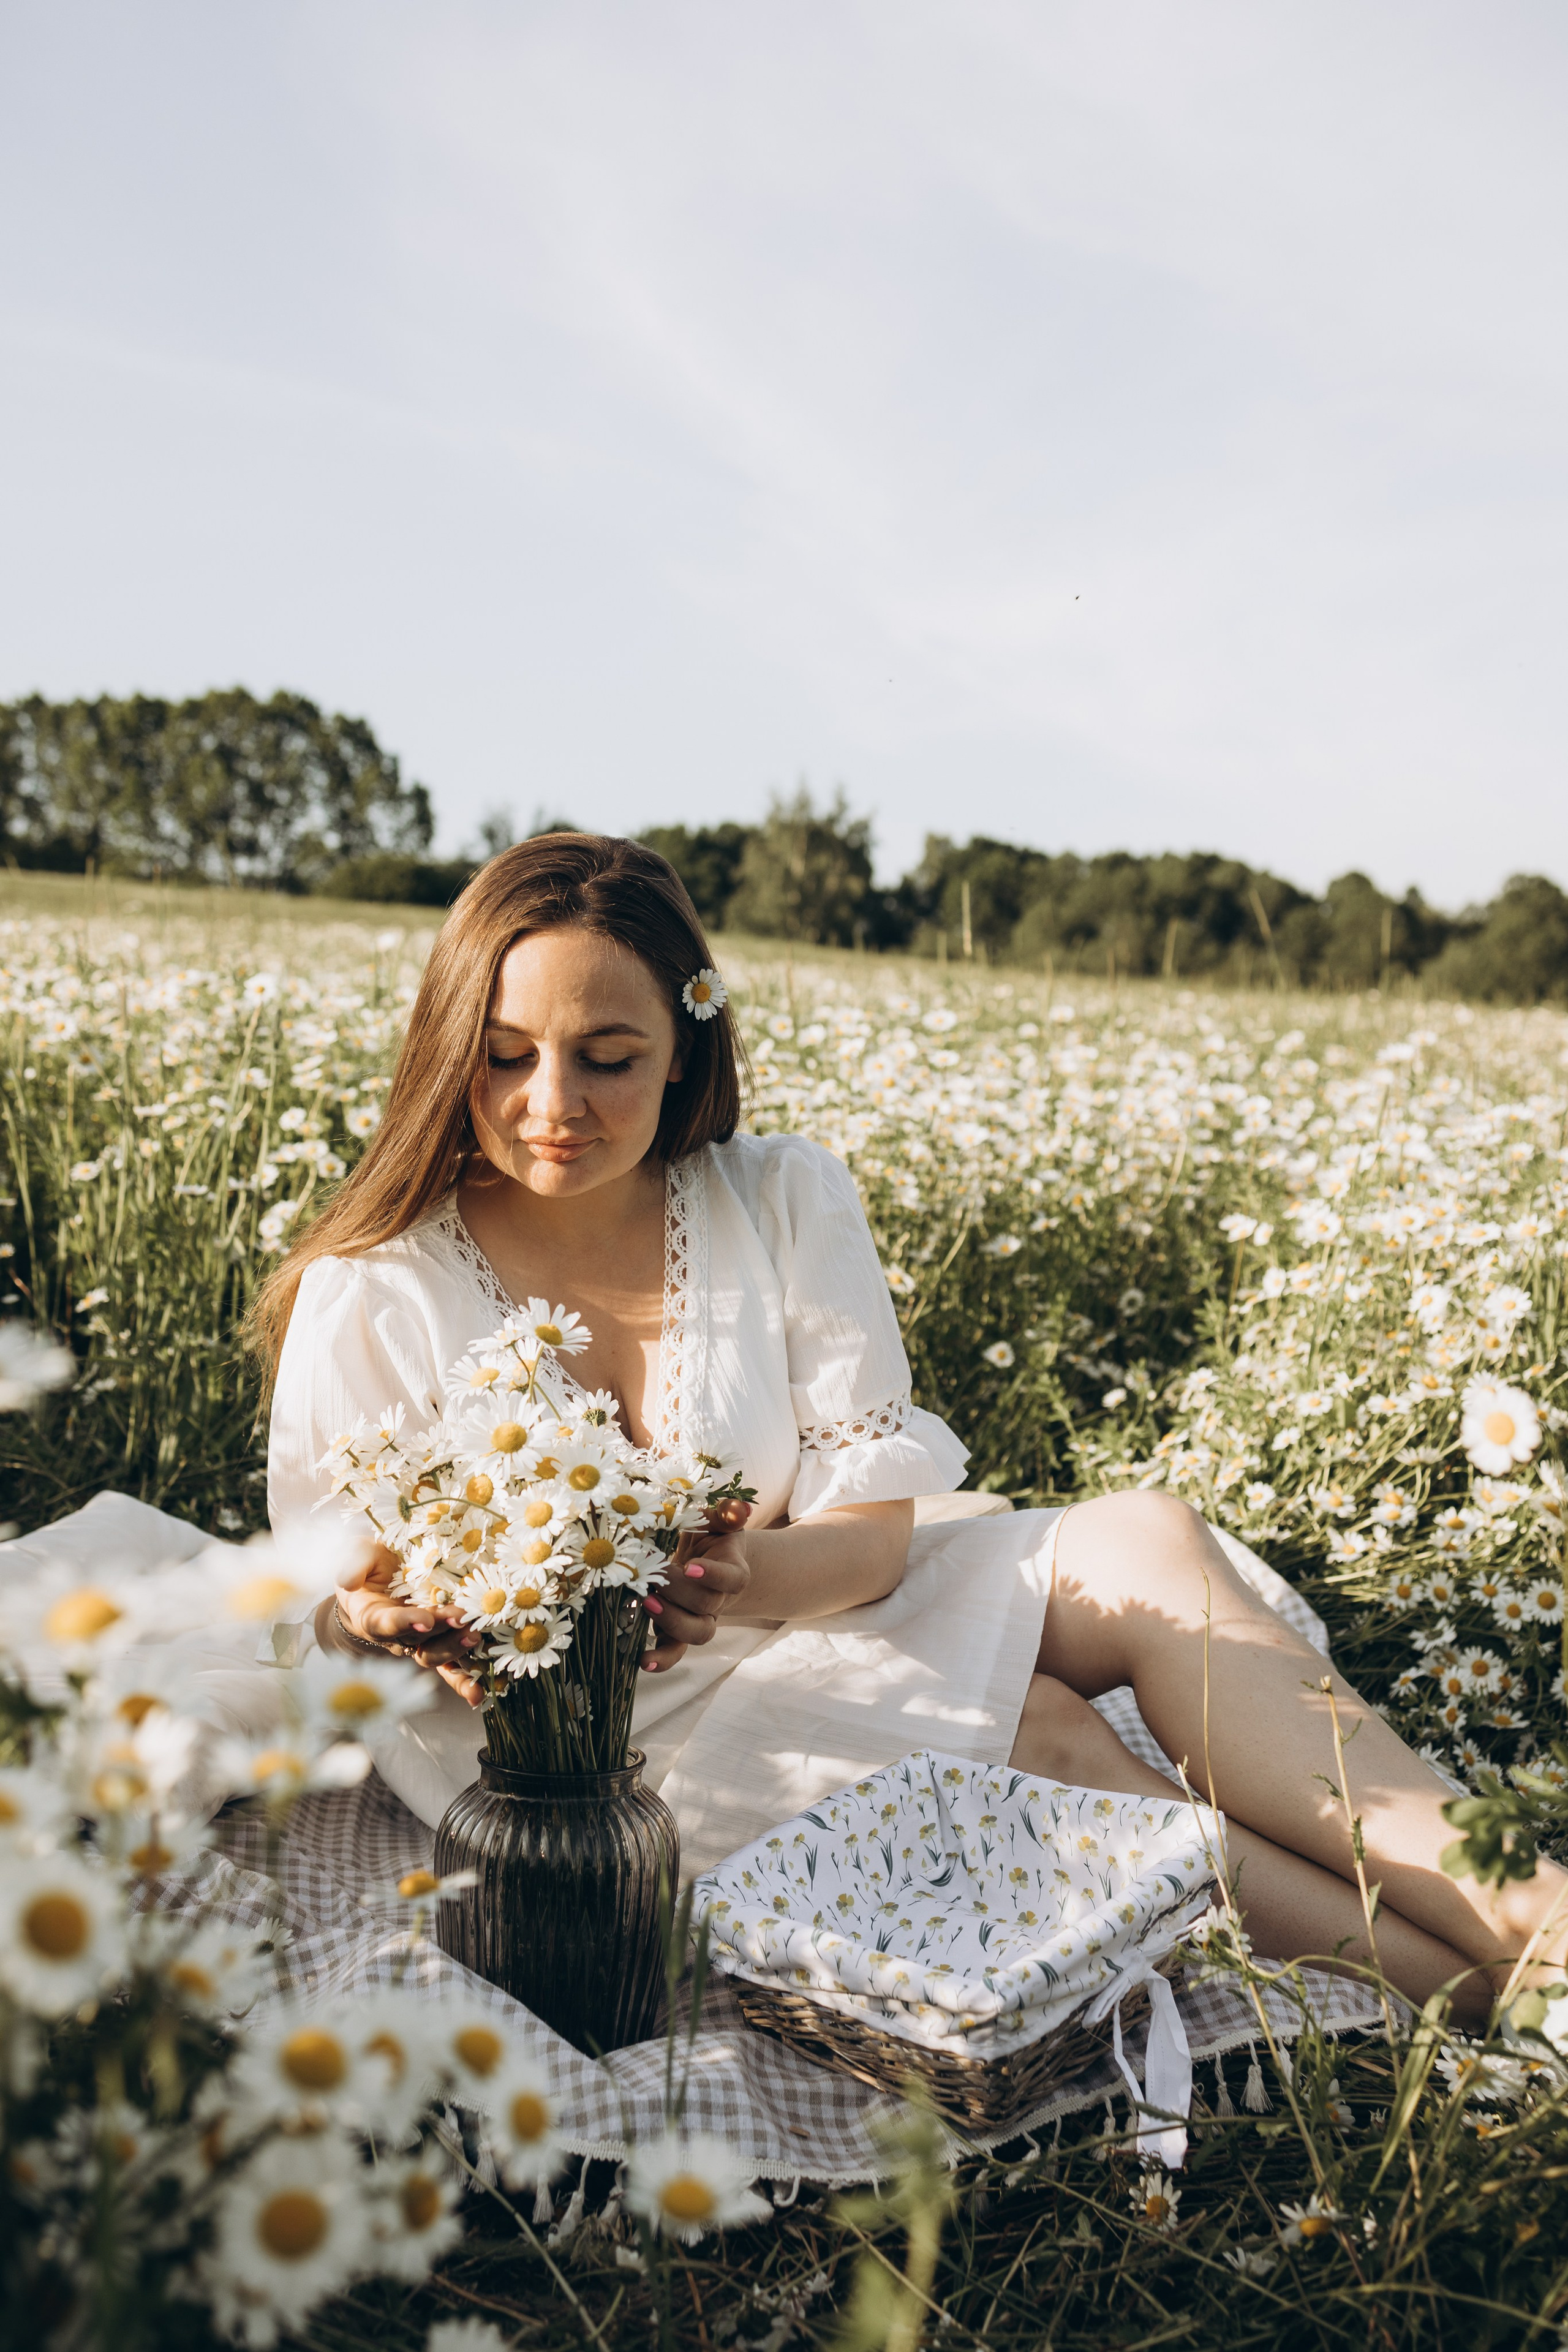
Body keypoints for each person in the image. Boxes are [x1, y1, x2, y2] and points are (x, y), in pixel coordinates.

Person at [257, 835, 1566, 2029]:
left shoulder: (773, 1195)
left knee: (1143, 1539)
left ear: (683, 1049)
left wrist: (728, 1575)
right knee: (1039, 1739)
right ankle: (1465, 1994)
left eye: (610, 1058)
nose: (554, 1101)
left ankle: (1526, 1909)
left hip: (798, 1605)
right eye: (505, 1054)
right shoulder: (375, 1285)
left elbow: (871, 1539)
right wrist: (395, 1624)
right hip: (594, 1750)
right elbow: (328, 1596)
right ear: (448, 1050)